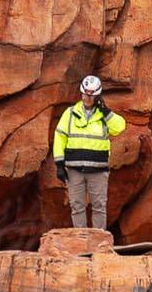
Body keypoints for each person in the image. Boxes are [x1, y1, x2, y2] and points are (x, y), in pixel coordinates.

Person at [51, 76, 125, 231]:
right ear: (81, 93)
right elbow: (59, 137)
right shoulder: (70, 113)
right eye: (85, 94)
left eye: (91, 95)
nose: (87, 97)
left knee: (99, 206)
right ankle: (80, 242)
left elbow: (119, 127)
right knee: (77, 206)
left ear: (97, 95)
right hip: (74, 169)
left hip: (98, 170)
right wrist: (59, 163)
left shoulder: (104, 116)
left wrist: (106, 111)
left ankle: (99, 244)